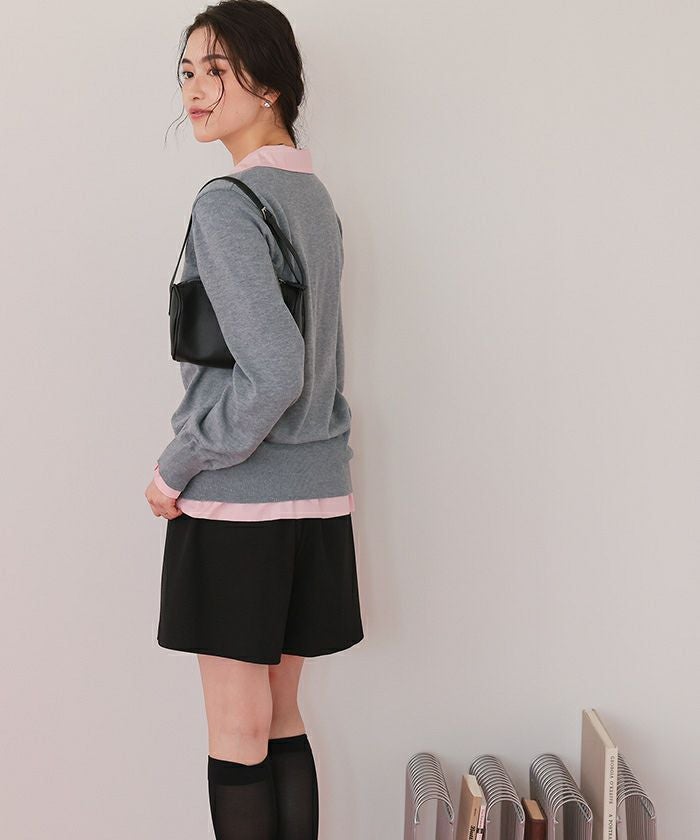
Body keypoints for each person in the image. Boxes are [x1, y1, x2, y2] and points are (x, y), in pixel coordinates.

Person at [144, 2, 365, 837]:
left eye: (217, 69)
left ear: (269, 82)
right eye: (187, 72)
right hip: (317, 498)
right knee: (278, 717)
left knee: (236, 730)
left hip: (240, 505)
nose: (195, 91)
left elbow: (274, 372)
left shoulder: (228, 204)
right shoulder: (312, 197)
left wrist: (175, 466)